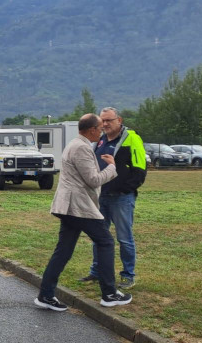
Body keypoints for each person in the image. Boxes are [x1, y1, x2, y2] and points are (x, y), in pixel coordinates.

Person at [35, 114, 132, 312]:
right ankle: (109, 293)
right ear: (90, 130)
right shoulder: (81, 147)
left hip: (70, 207)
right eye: (99, 126)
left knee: (63, 250)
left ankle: (45, 294)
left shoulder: (76, 144)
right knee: (105, 242)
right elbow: (93, 180)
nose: (102, 129)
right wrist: (112, 166)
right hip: (77, 207)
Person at [80, 107, 147, 289]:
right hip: (101, 197)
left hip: (121, 198)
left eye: (109, 120)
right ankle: (96, 271)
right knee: (99, 236)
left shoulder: (131, 139)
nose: (106, 124)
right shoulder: (100, 139)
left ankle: (128, 275)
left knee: (124, 238)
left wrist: (124, 188)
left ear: (119, 120)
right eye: (103, 121)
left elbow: (140, 169)